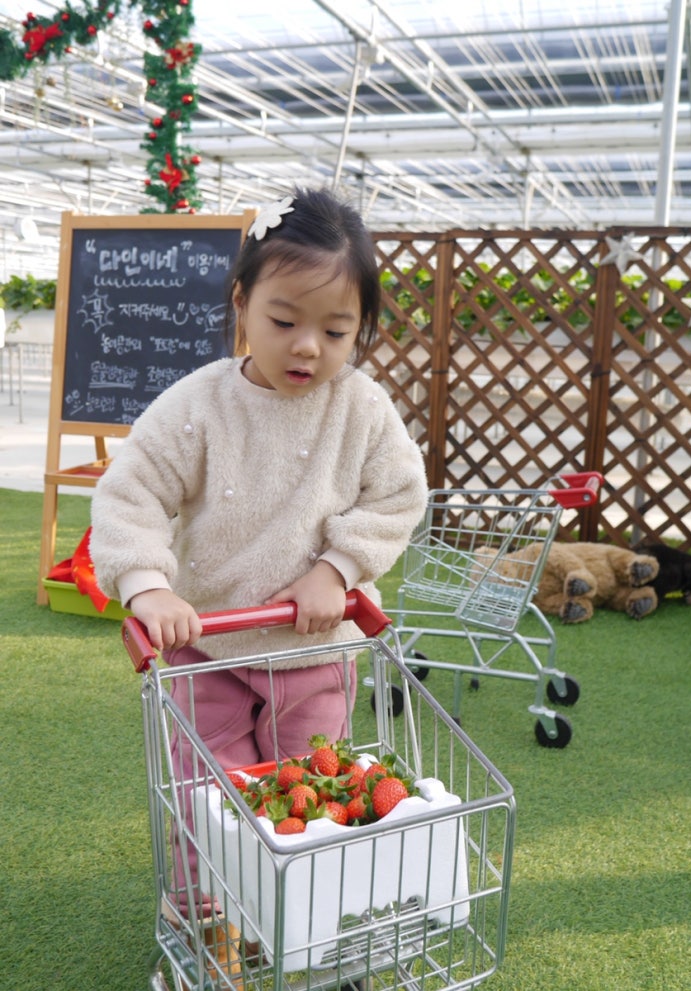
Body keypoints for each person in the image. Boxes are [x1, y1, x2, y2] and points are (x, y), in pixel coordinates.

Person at [90, 186, 429, 985]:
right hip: (206, 648)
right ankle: (205, 919)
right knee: (207, 798)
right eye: (284, 321)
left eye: (335, 330)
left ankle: (304, 917)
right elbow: (129, 492)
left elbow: (398, 494)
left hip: (314, 653)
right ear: (241, 303)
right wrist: (148, 586)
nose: (307, 346)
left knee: (309, 794)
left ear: (360, 332)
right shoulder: (197, 405)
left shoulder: (363, 411)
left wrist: (335, 568)